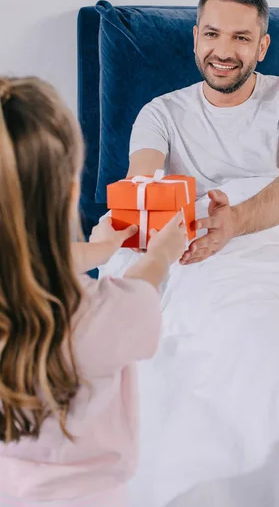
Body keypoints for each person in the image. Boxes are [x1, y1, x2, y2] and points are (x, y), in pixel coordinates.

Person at [0, 76, 187, 506]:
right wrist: (161, 253)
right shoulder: (102, 315)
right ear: (70, 196)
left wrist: (104, 247)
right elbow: (141, 287)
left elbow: (34, 260)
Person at [127, 0, 279, 266]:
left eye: (241, 38)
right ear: (196, 39)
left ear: (262, 46)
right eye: (212, 34)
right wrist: (143, 225)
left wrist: (235, 220)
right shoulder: (159, 113)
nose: (223, 52)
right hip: (199, 248)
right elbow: (139, 186)